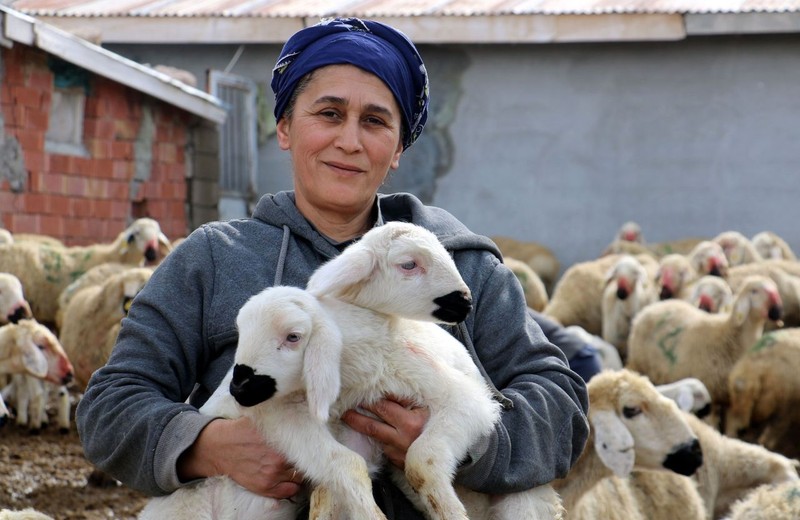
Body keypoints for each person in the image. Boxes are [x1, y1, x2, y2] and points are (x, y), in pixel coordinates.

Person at [76, 17, 589, 518]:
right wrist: (209, 444)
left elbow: (560, 404)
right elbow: (110, 404)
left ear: (397, 150)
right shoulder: (214, 260)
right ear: (284, 127)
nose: (349, 140)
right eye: (328, 113)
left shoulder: (459, 264)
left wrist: (461, 442)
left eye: (374, 121)